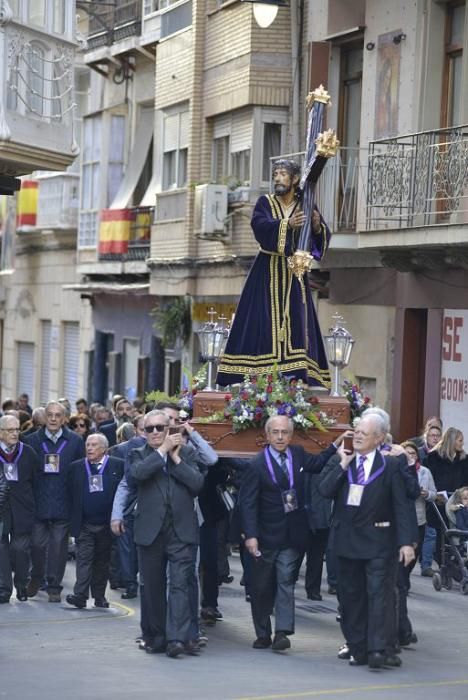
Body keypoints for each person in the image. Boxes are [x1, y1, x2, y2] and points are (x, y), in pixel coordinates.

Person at [217, 158, 331, 389]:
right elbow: (260, 227)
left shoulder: (306, 203)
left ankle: (298, 374)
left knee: (298, 320)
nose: (277, 178)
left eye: (282, 174)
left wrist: (318, 227)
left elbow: (319, 242)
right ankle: (259, 374)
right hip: (267, 271)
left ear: (295, 179)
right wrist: (287, 225)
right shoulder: (265, 202)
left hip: (294, 272)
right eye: (275, 174)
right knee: (261, 320)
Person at [319, 414, 416, 669]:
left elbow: (402, 506)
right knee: (351, 597)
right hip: (347, 541)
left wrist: (406, 542)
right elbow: (323, 490)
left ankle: (378, 649)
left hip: (380, 541)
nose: (357, 435)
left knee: (379, 596)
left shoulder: (391, 465)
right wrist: (342, 464)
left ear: (379, 439)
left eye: (364, 432)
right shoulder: (343, 459)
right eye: (356, 431)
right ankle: (358, 647)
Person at [240, 414, 344, 652]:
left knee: (286, 579)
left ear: (290, 434)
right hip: (265, 536)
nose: (280, 437)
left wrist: (335, 445)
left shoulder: (296, 454)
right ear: (267, 435)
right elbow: (247, 503)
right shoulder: (257, 464)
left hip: (291, 534)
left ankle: (282, 632)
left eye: (284, 432)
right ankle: (263, 632)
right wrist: (251, 535)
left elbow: (317, 465)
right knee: (262, 587)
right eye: (275, 432)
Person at [129, 410, 204, 658]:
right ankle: (157, 636)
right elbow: (137, 475)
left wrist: (175, 458)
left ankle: (177, 638)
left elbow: (196, 484)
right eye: (148, 429)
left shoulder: (187, 453)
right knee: (152, 587)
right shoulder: (137, 454)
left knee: (180, 585)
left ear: (169, 428)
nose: (154, 433)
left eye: (159, 428)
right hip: (150, 531)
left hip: (181, 530)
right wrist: (161, 453)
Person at [24, 400, 85, 602]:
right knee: (37, 545)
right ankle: (36, 577)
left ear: (64, 418)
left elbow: (79, 473)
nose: (52, 418)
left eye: (57, 415)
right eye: (49, 414)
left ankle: (54, 586)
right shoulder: (32, 440)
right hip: (38, 502)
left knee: (59, 547)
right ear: (44, 417)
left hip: (63, 502)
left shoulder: (75, 441)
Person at [66, 434, 124, 609]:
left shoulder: (117, 465)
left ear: (104, 448)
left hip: (107, 524)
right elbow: (69, 494)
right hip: (84, 524)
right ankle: (80, 596)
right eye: (88, 445)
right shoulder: (75, 467)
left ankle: (99, 597)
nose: (89, 448)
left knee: (102, 561)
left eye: (94, 445)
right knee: (84, 559)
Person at [0, 415, 40, 603]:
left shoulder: (29, 453)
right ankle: (4, 589)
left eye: (17, 429)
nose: (15, 433)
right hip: (2, 510)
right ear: (1, 432)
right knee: (1, 548)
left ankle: (21, 584)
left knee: (20, 549)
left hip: (24, 509)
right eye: (10, 430)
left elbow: (37, 482)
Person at [423, 427, 468, 565]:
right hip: (438, 501)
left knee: (455, 531)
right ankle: (433, 562)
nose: (462, 443)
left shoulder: (464, 460)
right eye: (460, 440)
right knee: (436, 532)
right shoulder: (433, 458)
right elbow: (429, 479)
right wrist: (435, 495)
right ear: (452, 440)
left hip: (456, 503)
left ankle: (453, 561)